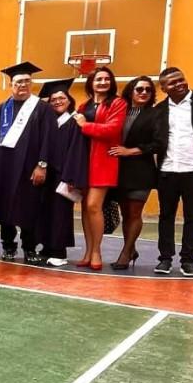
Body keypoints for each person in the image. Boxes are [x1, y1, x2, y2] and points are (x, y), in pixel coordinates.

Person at [152, 67, 193, 276]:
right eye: (172, 83)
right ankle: (165, 259)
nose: (178, 84)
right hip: (168, 171)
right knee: (166, 216)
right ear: (163, 88)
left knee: (192, 217)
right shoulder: (159, 111)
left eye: (180, 79)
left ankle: (188, 261)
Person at [0, 62, 54, 263]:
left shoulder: (42, 108)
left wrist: (42, 165)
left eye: (27, 81)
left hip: (30, 167)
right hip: (4, 167)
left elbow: (48, 138)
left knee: (29, 208)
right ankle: (8, 246)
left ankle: (29, 247)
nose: (23, 85)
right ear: (11, 85)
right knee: (5, 207)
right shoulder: (2, 108)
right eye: (18, 82)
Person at [75, 66, 127, 271]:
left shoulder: (117, 103)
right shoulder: (83, 105)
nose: (103, 82)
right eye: (98, 79)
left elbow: (112, 129)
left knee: (94, 206)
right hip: (83, 161)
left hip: (103, 161)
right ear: (91, 83)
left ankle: (97, 251)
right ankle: (87, 252)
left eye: (107, 79)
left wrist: (85, 126)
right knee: (85, 209)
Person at [36, 79, 89, 267]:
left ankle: (59, 251)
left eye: (61, 98)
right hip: (46, 175)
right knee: (44, 212)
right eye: (53, 99)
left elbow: (77, 152)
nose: (58, 101)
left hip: (63, 175)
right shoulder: (48, 122)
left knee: (60, 214)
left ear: (69, 100)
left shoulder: (75, 121)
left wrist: (71, 177)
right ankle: (47, 247)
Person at [109, 76, 159, 270]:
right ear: (131, 91)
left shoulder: (156, 115)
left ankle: (125, 253)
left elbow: (158, 143)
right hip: (119, 170)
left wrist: (130, 151)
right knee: (125, 213)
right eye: (139, 89)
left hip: (141, 170)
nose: (144, 93)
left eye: (148, 90)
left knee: (135, 212)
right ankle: (131, 249)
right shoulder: (121, 110)